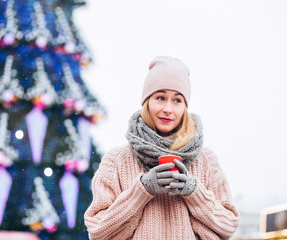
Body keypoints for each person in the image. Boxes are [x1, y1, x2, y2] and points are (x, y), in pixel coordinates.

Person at [84, 56, 240, 239]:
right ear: (147, 101)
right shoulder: (117, 160)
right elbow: (98, 231)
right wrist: (142, 190)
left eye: (177, 100)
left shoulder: (206, 160)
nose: (168, 108)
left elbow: (228, 226)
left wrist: (193, 191)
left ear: (185, 107)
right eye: (160, 97)